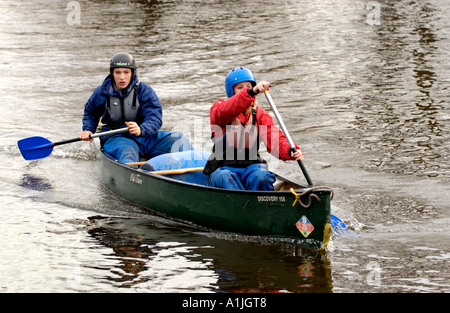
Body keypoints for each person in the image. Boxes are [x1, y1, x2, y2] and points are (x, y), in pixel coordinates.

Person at [80, 52, 193, 164]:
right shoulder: (101, 92)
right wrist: (88, 129)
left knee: (180, 139)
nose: (122, 77)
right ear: (112, 73)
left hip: (145, 136)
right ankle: (133, 173)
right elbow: (90, 113)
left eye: (126, 72)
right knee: (127, 152)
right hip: (116, 138)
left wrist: (142, 129)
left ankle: (196, 172)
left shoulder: (144, 91)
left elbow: (155, 117)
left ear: (132, 73)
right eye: (117, 72)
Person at [203, 67, 303, 191]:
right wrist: (251, 92)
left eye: (248, 86)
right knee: (224, 177)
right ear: (231, 91)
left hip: (251, 167)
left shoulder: (260, 115)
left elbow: (275, 140)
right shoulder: (219, 109)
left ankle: (264, 206)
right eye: (240, 87)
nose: (245, 89)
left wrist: (290, 151)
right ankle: (239, 204)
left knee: (262, 177)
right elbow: (229, 108)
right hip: (224, 167)